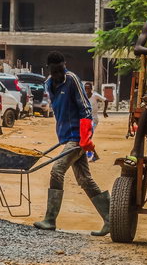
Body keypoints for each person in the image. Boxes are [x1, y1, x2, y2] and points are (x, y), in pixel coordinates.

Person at [34, 52, 109, 236]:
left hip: (77, 137)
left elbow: (85, 109)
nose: (60, 73)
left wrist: (85, 137)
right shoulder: (49, 84)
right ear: (49, 69)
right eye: (55, 70)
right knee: (84, 179)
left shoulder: (72, 79)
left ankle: (50, 219)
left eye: (61, 69)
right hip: (67, 137)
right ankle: (111, 219)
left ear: (64, 65)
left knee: (57, 170)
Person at [83, 81, 108, 162]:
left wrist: (104, 111)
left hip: (93, 120)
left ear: (91, 89)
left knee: (87, 138)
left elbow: (106, 100)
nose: (87, 90)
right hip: (85, 119)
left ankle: (92, 154)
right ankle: (91, 154)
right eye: (85, 88)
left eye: (88, 88)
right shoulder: (83, 96)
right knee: (86, 138)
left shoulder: (95, 95)